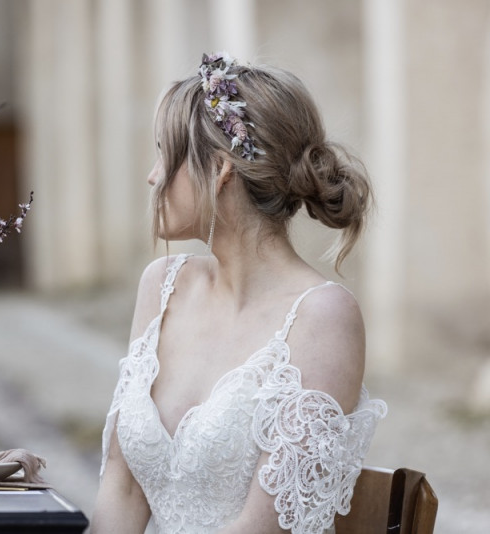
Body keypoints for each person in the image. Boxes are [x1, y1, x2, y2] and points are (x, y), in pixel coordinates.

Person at [89, 52, 387, 534]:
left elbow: (263, 529)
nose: (151, 175)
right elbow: (123, 486)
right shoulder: (163, 285)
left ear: (220, 170)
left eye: (165, 152)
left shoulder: (323, 316)